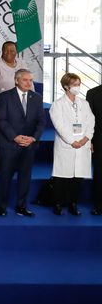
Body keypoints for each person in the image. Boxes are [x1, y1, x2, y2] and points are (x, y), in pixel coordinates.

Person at [0, 69, 45, 218]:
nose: (29, 83)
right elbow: (1, 120)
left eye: (31, 80)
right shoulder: (4, 97)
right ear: (16, 80)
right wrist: (14, 137)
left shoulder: (37, 98)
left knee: (25, 177)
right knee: (5, 177)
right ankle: (1, 206)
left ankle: (21, 206)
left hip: (29, 145)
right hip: (9, 144)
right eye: (25, 80)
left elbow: (41, 122)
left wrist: (33, 138)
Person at [49, 73, 94, 217]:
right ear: (66, 86)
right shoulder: (57, 105)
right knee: (62, 177)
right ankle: (58, 203)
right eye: (75, 84)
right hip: (67, 145)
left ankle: (73, 203)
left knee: (77, 178)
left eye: (79, 84)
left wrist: (86, 139)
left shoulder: (84, 104)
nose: (77, 87)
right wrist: (72, 141)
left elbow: (90, 122)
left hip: (82, 145)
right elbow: (59, 125)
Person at [86, 82, 102, 216]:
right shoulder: (92, 93)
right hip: (99, 141)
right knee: (99, 174)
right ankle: (99, 205)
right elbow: (88, 120)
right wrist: (89, 140)